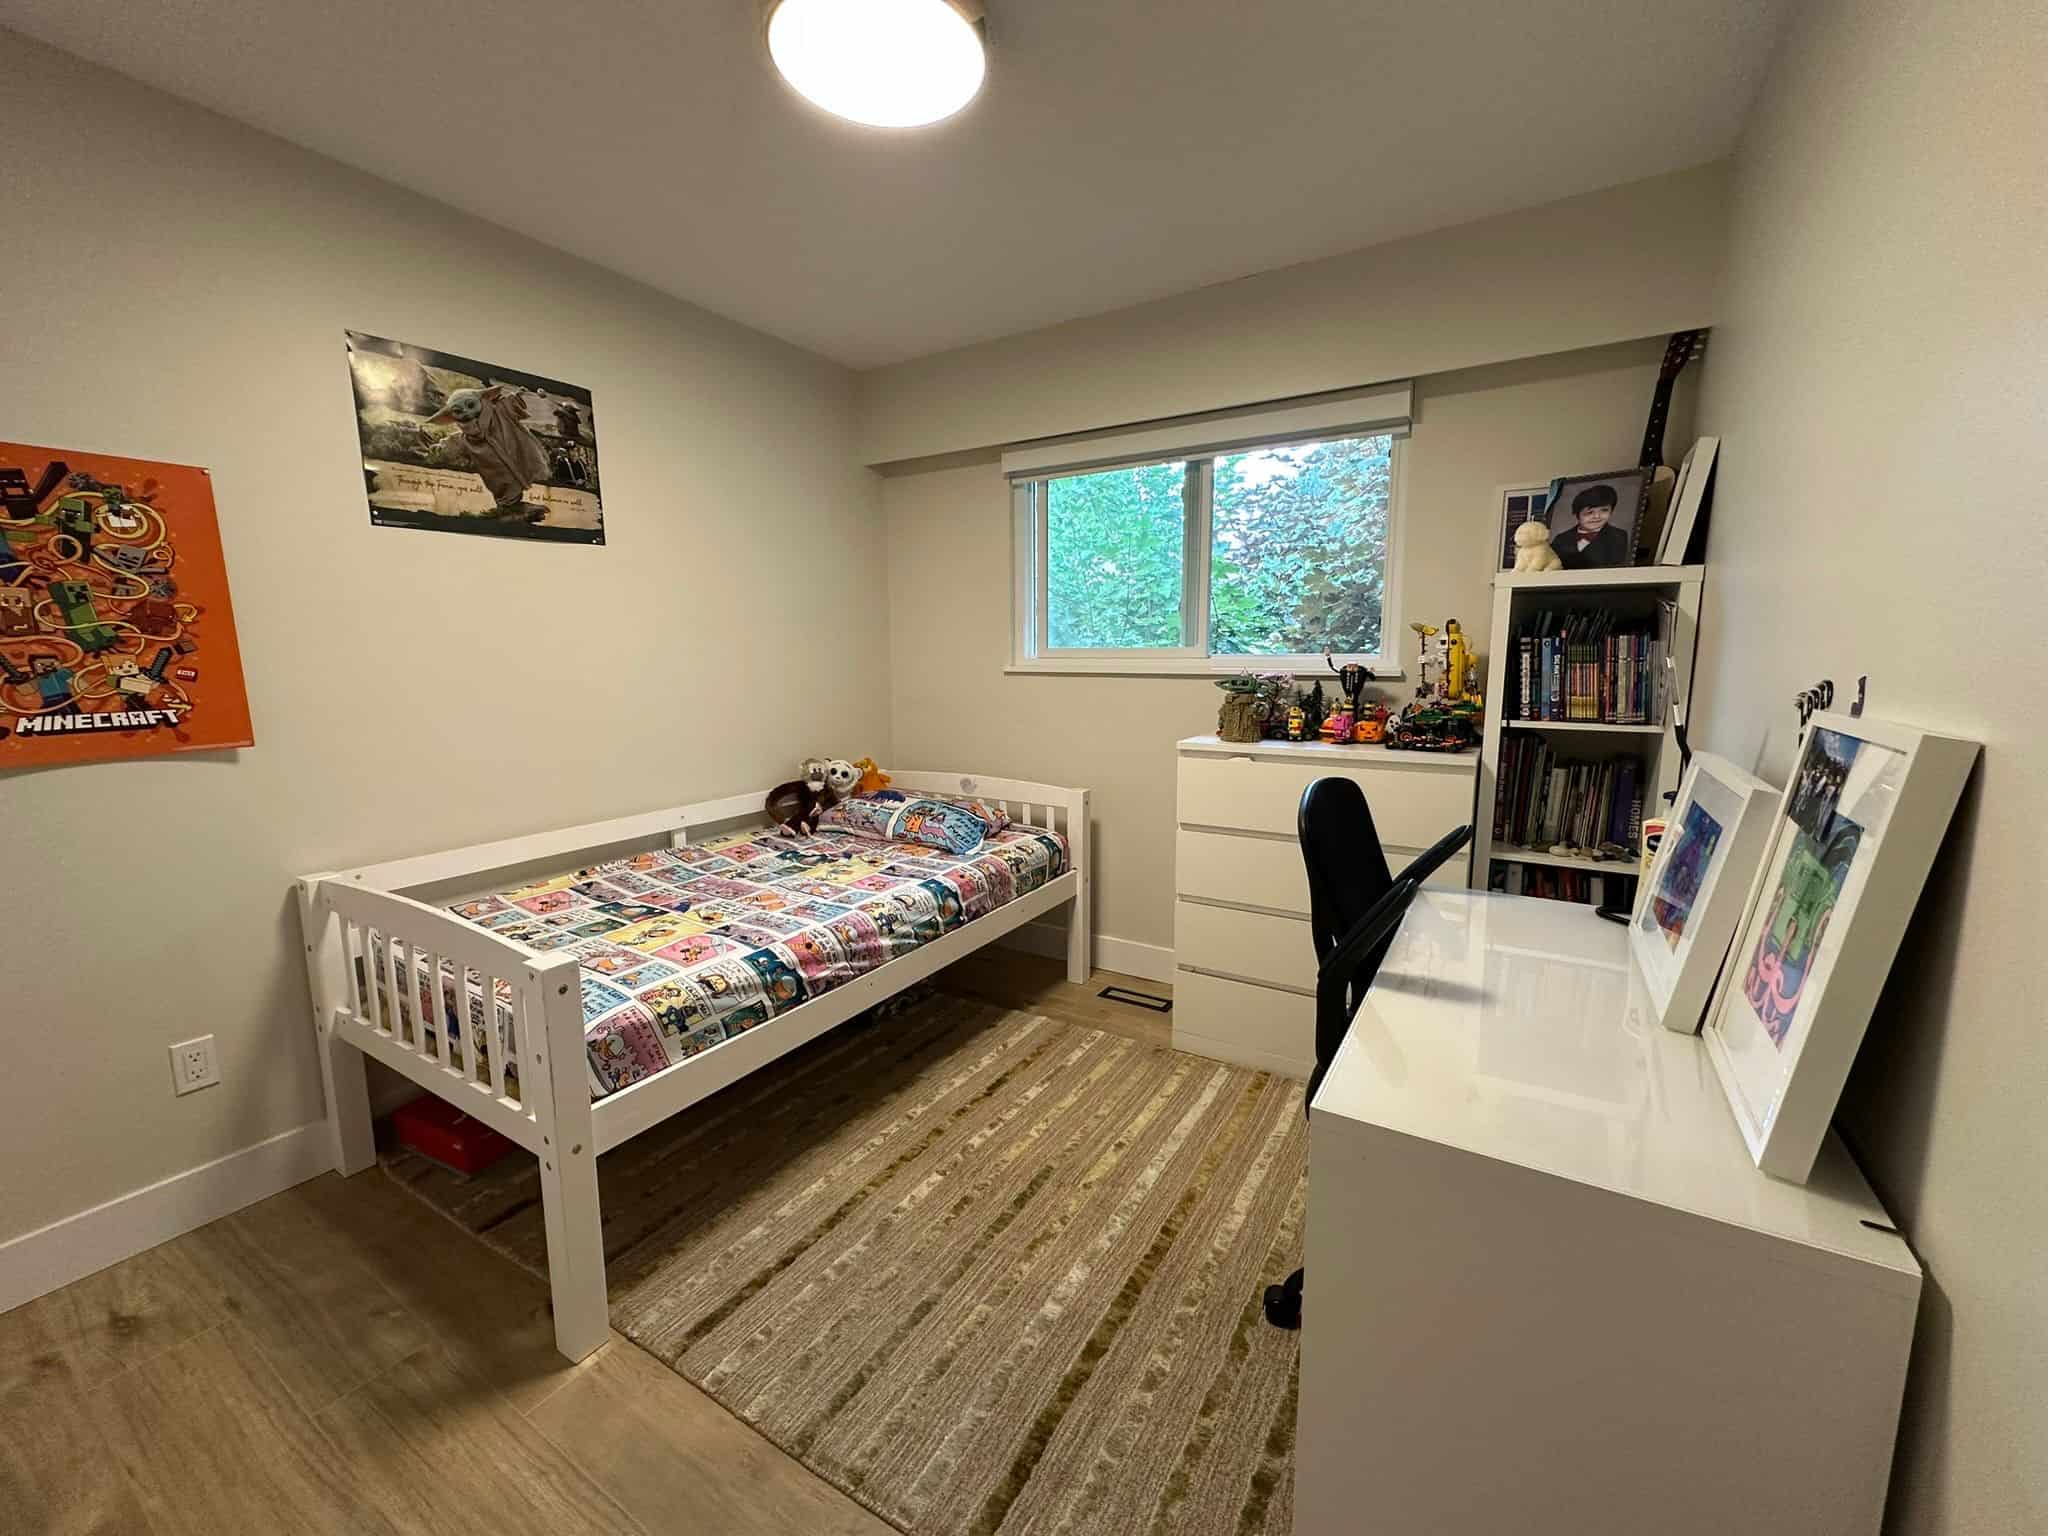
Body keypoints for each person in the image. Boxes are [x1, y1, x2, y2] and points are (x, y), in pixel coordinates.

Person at [1553, 483, 1634, 568]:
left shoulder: (1618, 536)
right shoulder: (1561, 539)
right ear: (1577, 514)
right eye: (1590, 512)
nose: (1597, 516)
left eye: (1604, 510)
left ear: (1611, 511)